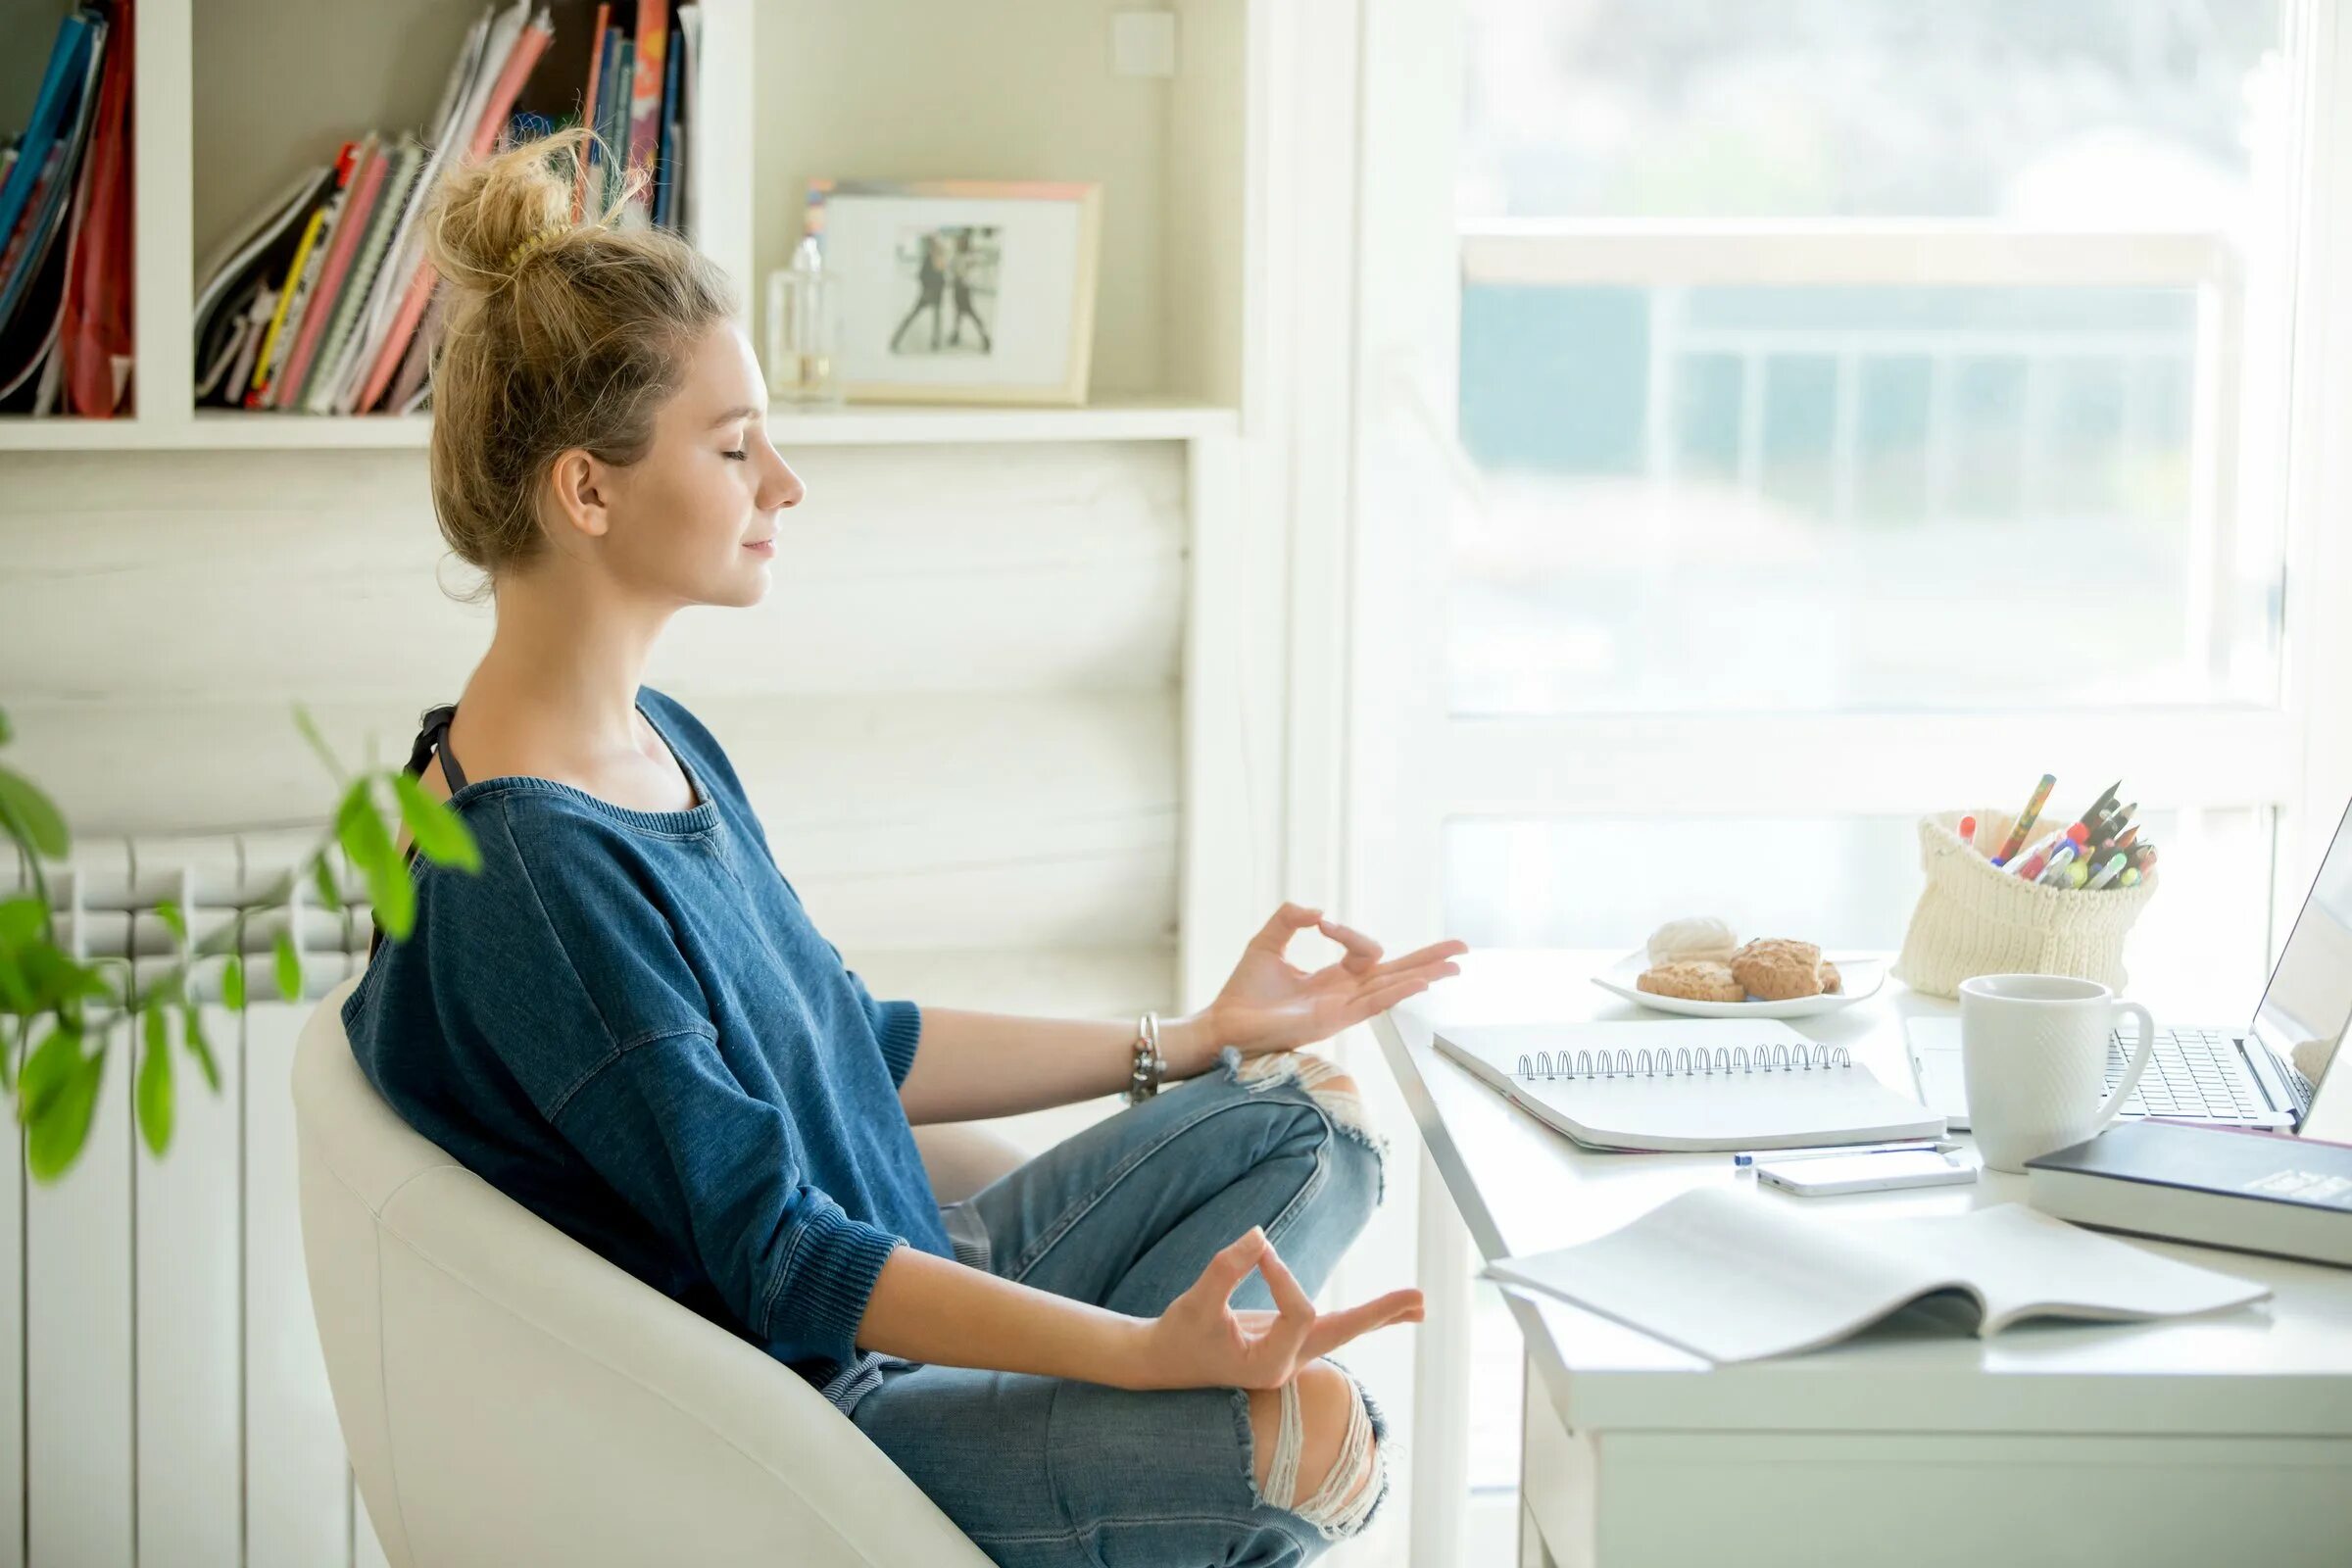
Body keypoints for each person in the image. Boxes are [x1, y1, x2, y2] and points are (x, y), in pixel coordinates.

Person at [342, 125, 1467, 1567]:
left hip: (921, 1271)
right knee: (1316, 1438)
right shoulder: (539, 881)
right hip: (825, 1417)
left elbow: (853, 1041)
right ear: (587, 491)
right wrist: (1135, 1357)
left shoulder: (652, 739)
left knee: (1314, 1119)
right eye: (738, 449)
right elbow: (786, 1257)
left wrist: (1189, 1037)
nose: (786, 486)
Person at [889, 229, 950, 354]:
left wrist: (941, 284)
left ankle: (935, 342)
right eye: (935, 245)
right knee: (913, 316)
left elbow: (942, 278)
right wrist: (928, 287)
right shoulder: (929, 259)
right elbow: (922, 276)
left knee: (936, 318)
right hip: (927, 294)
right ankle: (895, 340)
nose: (938, 247)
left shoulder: (939, 259)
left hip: (936, 294)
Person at [947, 227, 993, 353]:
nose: (959, 243)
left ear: (965, 243)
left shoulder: (967, 256)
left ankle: (985, 338)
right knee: (958, 314)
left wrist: (964, 275)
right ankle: (956, 336)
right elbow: (951, 267)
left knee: (971, 314)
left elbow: (970, 269)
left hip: (963, 289)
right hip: (957, 289)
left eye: (961, 241)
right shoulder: (958, 255)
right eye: (958, 241)